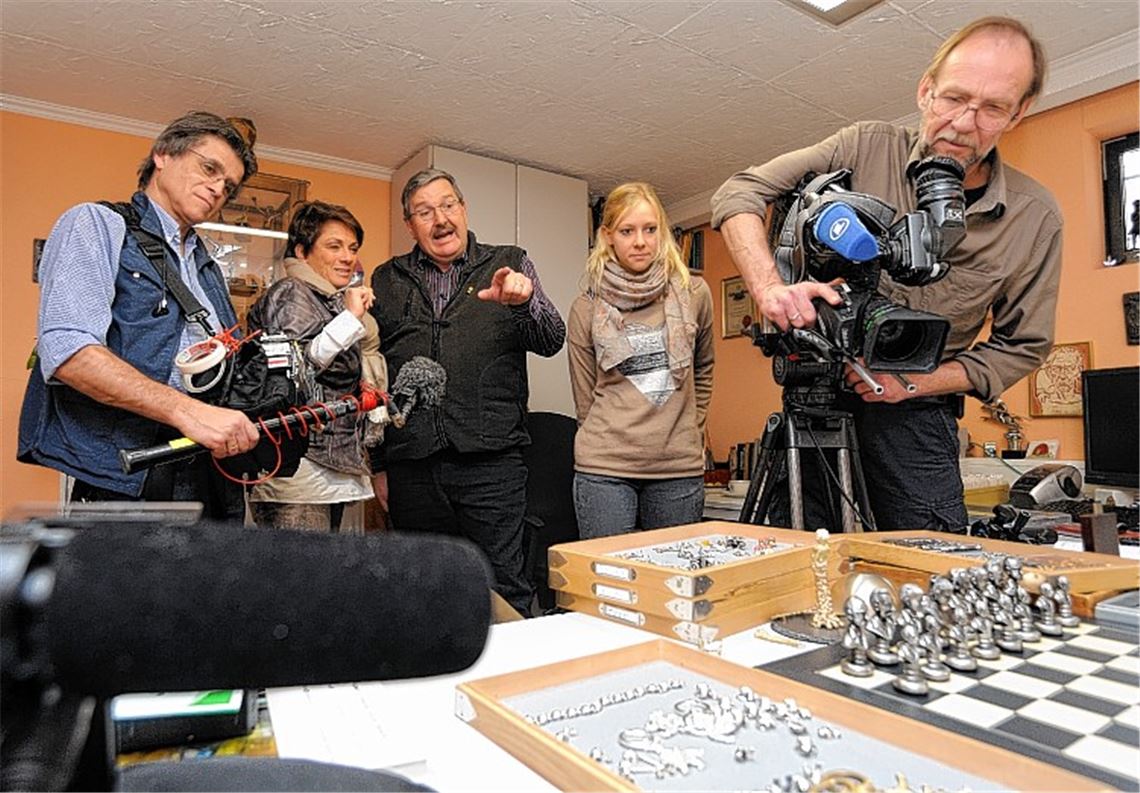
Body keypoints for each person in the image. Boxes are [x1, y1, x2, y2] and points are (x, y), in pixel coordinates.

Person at [711, 16, 1062, 532]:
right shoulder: (864, 147)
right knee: (789, 568)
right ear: (926, 91)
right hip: (814, 399)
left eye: (993, 109)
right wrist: (769, 288)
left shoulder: (1035, 217)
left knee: (926, 565)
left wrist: (918, 382)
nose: (965, 123)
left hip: (917, 420)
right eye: (954, 98)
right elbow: (737, 193)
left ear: (1020, 112)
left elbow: (1024, 345)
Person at [18, 111, 261, 521]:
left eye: (229, 186)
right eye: (209, 168)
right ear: (163, 154)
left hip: (210, 474)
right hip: (128, 473)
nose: (218, 188)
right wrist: (188, 412)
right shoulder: (97, 223)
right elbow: (68, 351)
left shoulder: (208, 267)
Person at [370, 168, 566, 615]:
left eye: (447, 205)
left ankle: (508, 680)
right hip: (411, 467)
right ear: (410, 225)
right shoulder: (387, 279)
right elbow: (373, 379)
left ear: (463, 209)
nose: (439, 219)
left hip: (491, 465)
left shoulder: (509, 261)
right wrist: (378, 465)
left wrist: (524, 304)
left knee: (505, 587)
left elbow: (552, 339)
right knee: (420, 587)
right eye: (424, 212)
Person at [567, 182, 714, 538]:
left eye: (650, 229)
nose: (640, 241)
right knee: (611, 585)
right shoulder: (586, 306)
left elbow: (704, 367)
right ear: (608, 236)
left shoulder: (694, 292)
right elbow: (585, 396)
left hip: (678, 469)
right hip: (605, 469)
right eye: (627, 231)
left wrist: (688, 429)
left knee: (674, 585)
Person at [245, 201, 386, 533]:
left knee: (321, 580)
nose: (347, 257)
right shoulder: (291, 292)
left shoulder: (329, 300)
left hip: (325, 469)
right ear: (302, 251)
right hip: (298, 469)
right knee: (300, 581)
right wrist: (351, 318)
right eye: (334, 246)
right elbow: (295, 367)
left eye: (352, 248)